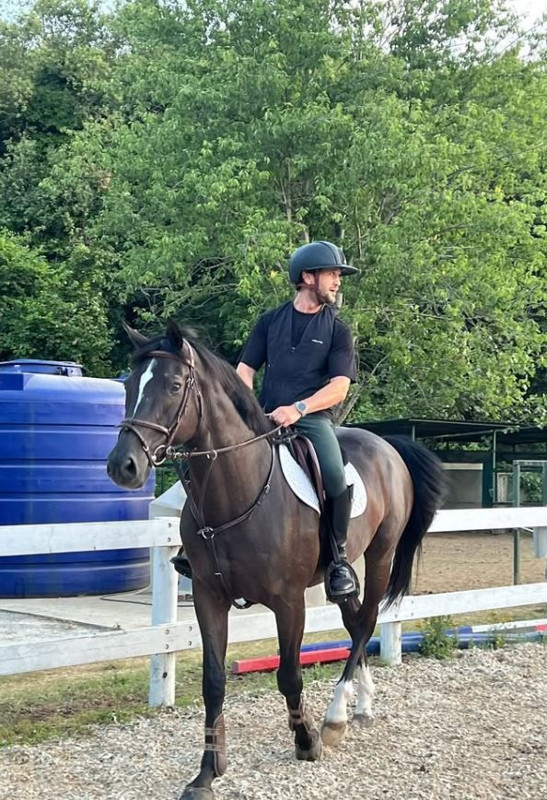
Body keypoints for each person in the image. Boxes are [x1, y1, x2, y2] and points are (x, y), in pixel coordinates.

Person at [236, 240, 359, 602]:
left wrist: (299, 409)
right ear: (308, 277)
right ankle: (198, 547)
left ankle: (338, 560)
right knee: (215, 454)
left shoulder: (339, 330)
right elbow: (244, 370)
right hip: (265, 416)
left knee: (335, 474)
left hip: (311, 419)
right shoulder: (269, 321)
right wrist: (250, 408)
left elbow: (339, 387)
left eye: (338, 275)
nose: (338, 281)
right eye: (332, 274)